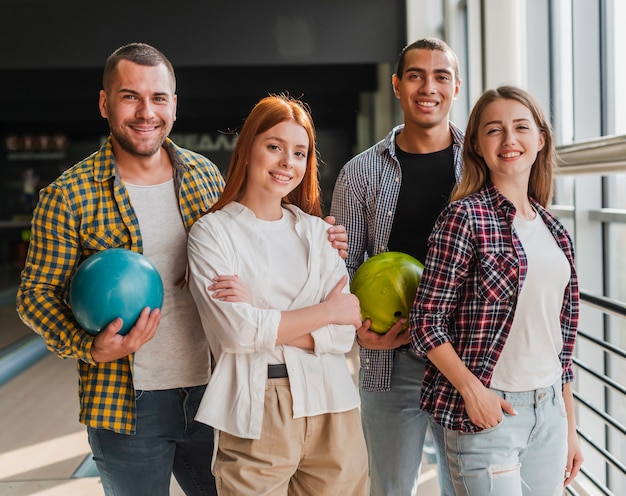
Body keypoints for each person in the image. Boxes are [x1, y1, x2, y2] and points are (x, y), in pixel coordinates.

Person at [15, 43, 348, 496]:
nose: (145, 111)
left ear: (174, 104)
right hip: (126, 401)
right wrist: (89, 348)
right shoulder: (68, 196)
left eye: (158, 98)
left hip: (215, 391)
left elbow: (257, 239)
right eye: (130, 96)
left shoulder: (203, 176)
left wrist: (317, 237)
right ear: (104, 103)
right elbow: (35, 295)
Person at [187, 94, 369, 495]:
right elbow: (235, 334)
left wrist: (259, 315)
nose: (288, 162)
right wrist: (326, 311)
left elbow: (343, 335)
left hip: (333, 404)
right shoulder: (213, 232)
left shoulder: (320, 233)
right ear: (248, 149)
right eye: (275, 147)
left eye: (300, 152)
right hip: (257, 407)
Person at [409, 85, 584, 495]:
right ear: (476, 145)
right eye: (494, 130)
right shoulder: (464, 217)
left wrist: (570, 428)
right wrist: (474, 392)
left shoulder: (555, 231)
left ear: (540, 140)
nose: (509, 140)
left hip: (549, 414)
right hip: (489, 413)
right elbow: (426, 322)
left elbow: (562, 344)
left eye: (521, 127)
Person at [330, 37, 462, 495]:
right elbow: (341, 271)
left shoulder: (481, 166)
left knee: (466, 487)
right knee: (388, 488)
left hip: (468, 358)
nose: (429, 87)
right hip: (390, 358)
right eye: (416, 75)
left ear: (456, 87)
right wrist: (355, 332)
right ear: (397, 85)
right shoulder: (359, 173)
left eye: (441, 76)